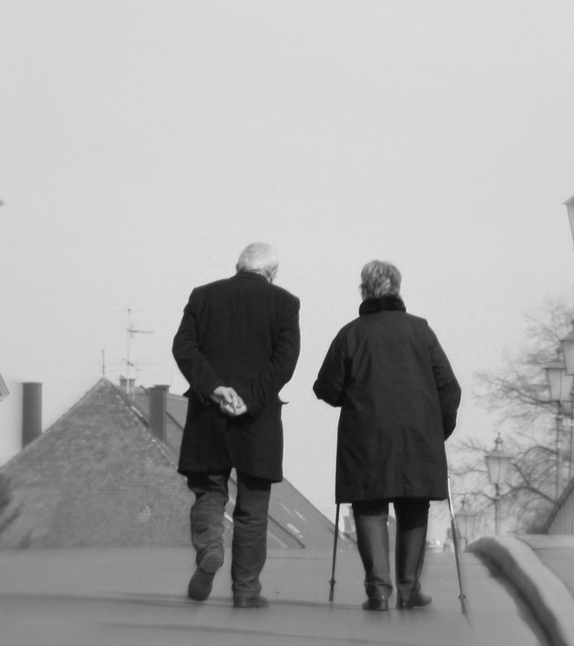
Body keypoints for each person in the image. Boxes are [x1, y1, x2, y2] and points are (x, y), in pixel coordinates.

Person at [313, 260, 460, 610]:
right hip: (417, 437)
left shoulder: (351, 333)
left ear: (364, 290)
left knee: (369, 506)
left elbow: (326, 388)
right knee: (413, 506)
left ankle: (378, 590)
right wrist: (439, 430)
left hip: (366, 436)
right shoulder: (421, 331)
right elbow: (449, 389)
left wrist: (351, 395)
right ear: (397, 288)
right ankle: (409, 590)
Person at [172, 242, 300, 608]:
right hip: (257, 422)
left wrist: (216, 389)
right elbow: (284, 361)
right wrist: (250, 400)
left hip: (208, 416)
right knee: (253, 509)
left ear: (238, 265)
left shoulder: (203, 296)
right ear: (272, 273)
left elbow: (184, 348)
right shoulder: (285, 304)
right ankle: (246, 592)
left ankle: (210, 547)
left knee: (209, 493)